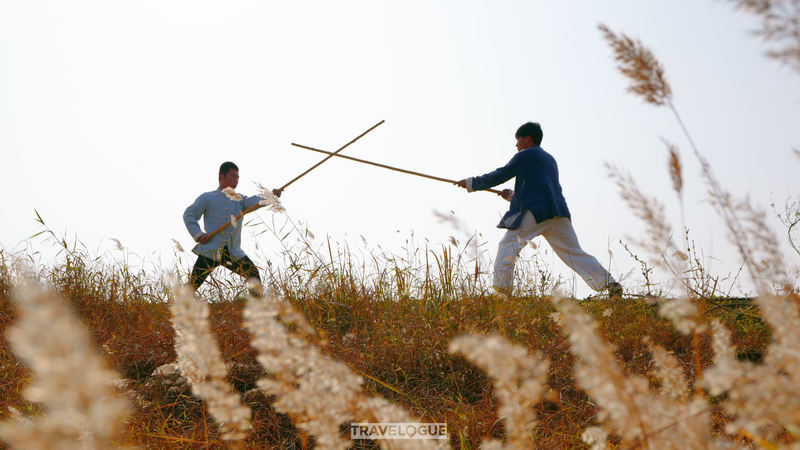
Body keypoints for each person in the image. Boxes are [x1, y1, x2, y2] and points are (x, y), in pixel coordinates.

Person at [456, 122, 622, 297]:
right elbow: (541, 188)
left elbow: (500, 174)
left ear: (528, 138)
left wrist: (471, 183)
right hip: (558, 214)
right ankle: (610, 284)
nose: (516, 145)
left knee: (507, 246)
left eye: (518, 140)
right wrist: (511, 195)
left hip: (536, 213)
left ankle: (502, 293)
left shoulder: (525, 155)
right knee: (573, 253)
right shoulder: (550, 159)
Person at [183, 161, 282, 296]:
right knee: (193, 283)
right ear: (222, 177)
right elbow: (189, 214)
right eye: (233, 176)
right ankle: (176, 308)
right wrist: (199, 234)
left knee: (253, 275)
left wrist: (271, 196)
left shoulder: (240, 200)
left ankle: (256, 309)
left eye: (237, 178)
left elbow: (255, 202)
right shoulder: (207, 198)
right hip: (211, 250)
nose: (236, 181)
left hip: (233, 252)